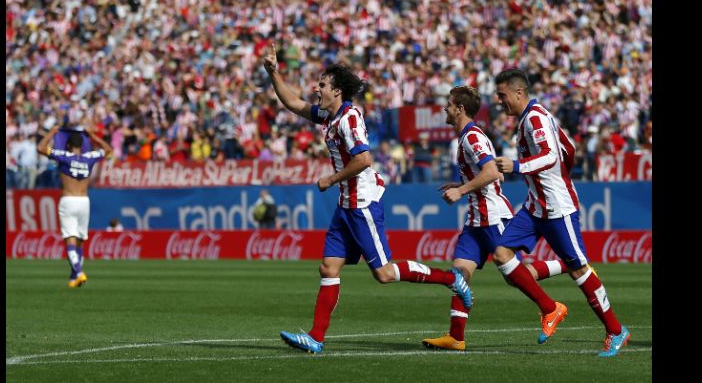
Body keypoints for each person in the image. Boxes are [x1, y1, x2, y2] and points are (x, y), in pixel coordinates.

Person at [263, 44, 471, 355]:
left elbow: (364, 159)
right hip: (345, 205)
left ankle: (451, 279)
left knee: (384, 274)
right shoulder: (328, 116)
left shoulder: (349, 118)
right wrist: (273, 73)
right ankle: (316, 338)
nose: (316, 88)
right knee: (328, 268)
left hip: (362, 203)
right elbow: (293, 103)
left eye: (322, 84)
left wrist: (330, 179)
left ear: (337, 91)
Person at [491, 69, 630, 357]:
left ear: (519, 93)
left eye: (502, 95)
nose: (499, 101)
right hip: (535, 206)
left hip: (557, 207)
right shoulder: (529, 119)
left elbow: (553, 156)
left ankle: (616, 330)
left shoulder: (536, 118)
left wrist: (517, 167)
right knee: (502, 256)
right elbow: (568, 149)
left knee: (580, 270)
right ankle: (550, 308)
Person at [421, 86, 569, 351]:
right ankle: (456, 337)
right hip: (476, 219)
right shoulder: (468, 136)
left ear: (460, 108)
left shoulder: (472, 137)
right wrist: (461, 182)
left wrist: (461, 190)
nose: (445, 108)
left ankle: (555, 296)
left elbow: (490, 172)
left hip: (492, 215)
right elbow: (493, 173)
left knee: (516, 274)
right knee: (460, 274)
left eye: (449, 104)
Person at [37, 125, 113, 288]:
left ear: (69, 146)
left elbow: (41, 148)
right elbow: (108, 149)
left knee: (69, 239)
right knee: (80, 240)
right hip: (84, 201)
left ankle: (78, 272)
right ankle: (73, 278)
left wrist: (52, 132)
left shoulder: (63, 156)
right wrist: (94, 136)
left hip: (68, 200)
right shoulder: (90, 157)